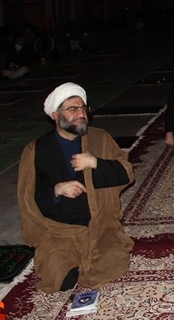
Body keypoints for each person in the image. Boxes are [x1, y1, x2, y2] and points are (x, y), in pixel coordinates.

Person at [17, 82, 134, 293]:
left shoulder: (99, 138)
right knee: (59, 278)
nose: (81, 114)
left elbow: (126, 173)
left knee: (107, 264)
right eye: (73, 109)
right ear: (56, 115)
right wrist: (57, 190)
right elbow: (29, 199)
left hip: (99, 224)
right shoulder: (37, 150)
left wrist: (95, 163)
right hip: (60, 229)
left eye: (83, 108)